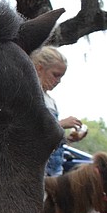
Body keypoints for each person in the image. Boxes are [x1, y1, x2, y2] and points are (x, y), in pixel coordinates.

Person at [30, 46, 87, 176]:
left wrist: (68, 139)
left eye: (61, 77)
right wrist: (61, 124)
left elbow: (49, 138)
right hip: (38, 170)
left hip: (55, 169)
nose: (58, 81)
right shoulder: (30, 96)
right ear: (39, 69)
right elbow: (29, 132)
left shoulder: (51, 101)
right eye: (55, 75)